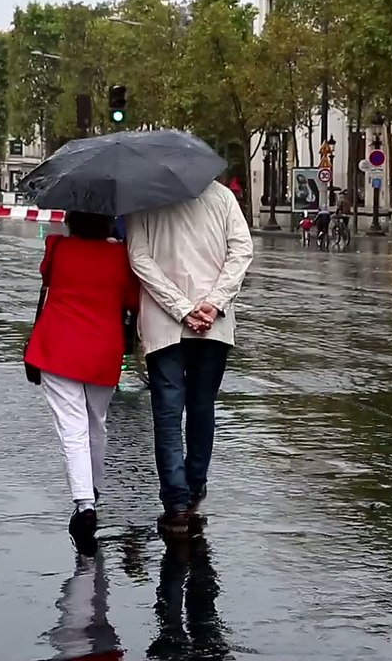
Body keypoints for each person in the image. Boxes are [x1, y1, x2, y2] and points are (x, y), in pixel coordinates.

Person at [126, 179, 254, 534]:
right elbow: (241, 252)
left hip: (163, 325)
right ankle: (194, 485)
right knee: (202, 406)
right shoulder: (222, 197)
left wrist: (181, 309)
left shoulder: (143, 199)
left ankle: (176, 503)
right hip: (214, 324)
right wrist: (213, 302)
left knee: (168, 413)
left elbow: (139, 259)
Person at [24, 212, 140, 550]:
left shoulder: (58, 248)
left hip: (57, 347)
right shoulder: (121, 255)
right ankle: (93, 489)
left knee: (71, 427)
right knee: (96, 424)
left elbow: (46, 280)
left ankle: (84, 503)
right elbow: (132, 301)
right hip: (103, 350)